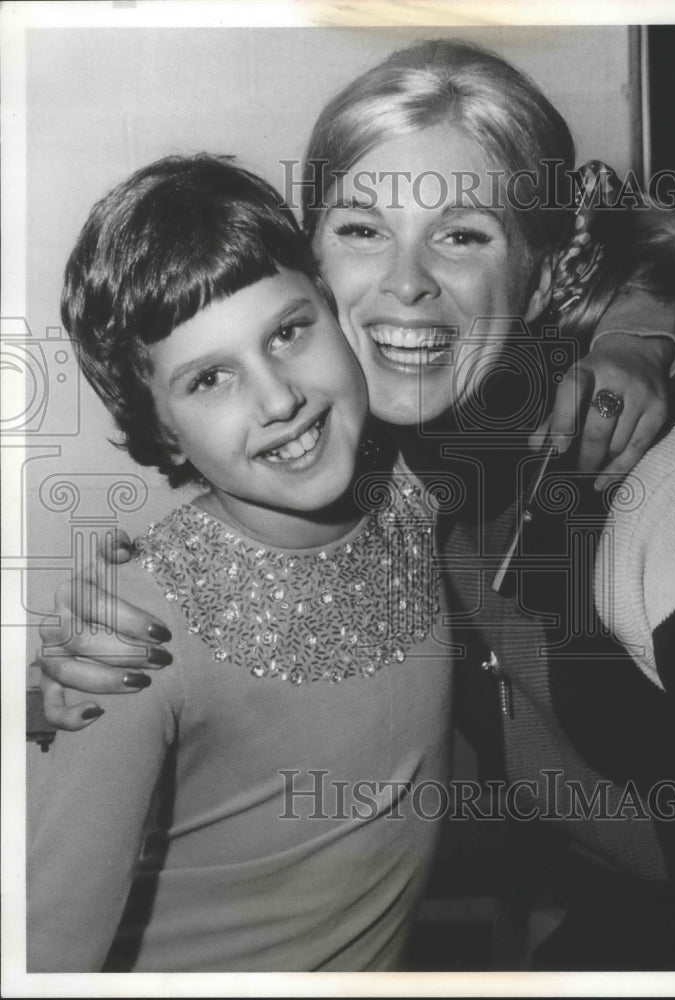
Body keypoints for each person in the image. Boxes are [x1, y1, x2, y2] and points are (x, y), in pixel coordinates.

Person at [32, 40, 675, 970]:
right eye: (362, 230)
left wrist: (637, 339)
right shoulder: (387, 479)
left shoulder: (672, 499)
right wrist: (51, 696)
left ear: (543, 275)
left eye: (462, 234)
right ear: (309, 268)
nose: (406, 280)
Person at [28, 154, 458, 972]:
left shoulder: (413, 480)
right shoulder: (129, 632)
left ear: (337, 309)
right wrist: (33, 703)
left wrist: (638, 340)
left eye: (289, 331)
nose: (277, 399)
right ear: (159, 432)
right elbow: (45, 954)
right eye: (210, 378)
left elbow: (599, 242)